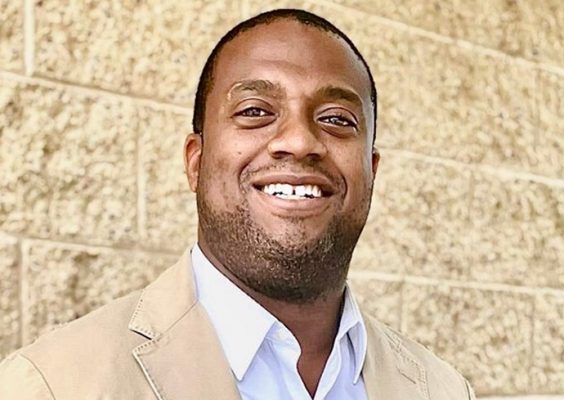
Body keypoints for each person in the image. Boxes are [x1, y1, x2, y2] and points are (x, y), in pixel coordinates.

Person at [0, 9, 475, 400]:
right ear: (196, 162)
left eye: (335, 119)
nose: (298, 141)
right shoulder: (51, 385)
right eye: (254, 112)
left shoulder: (443, 390)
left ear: (371, 170)